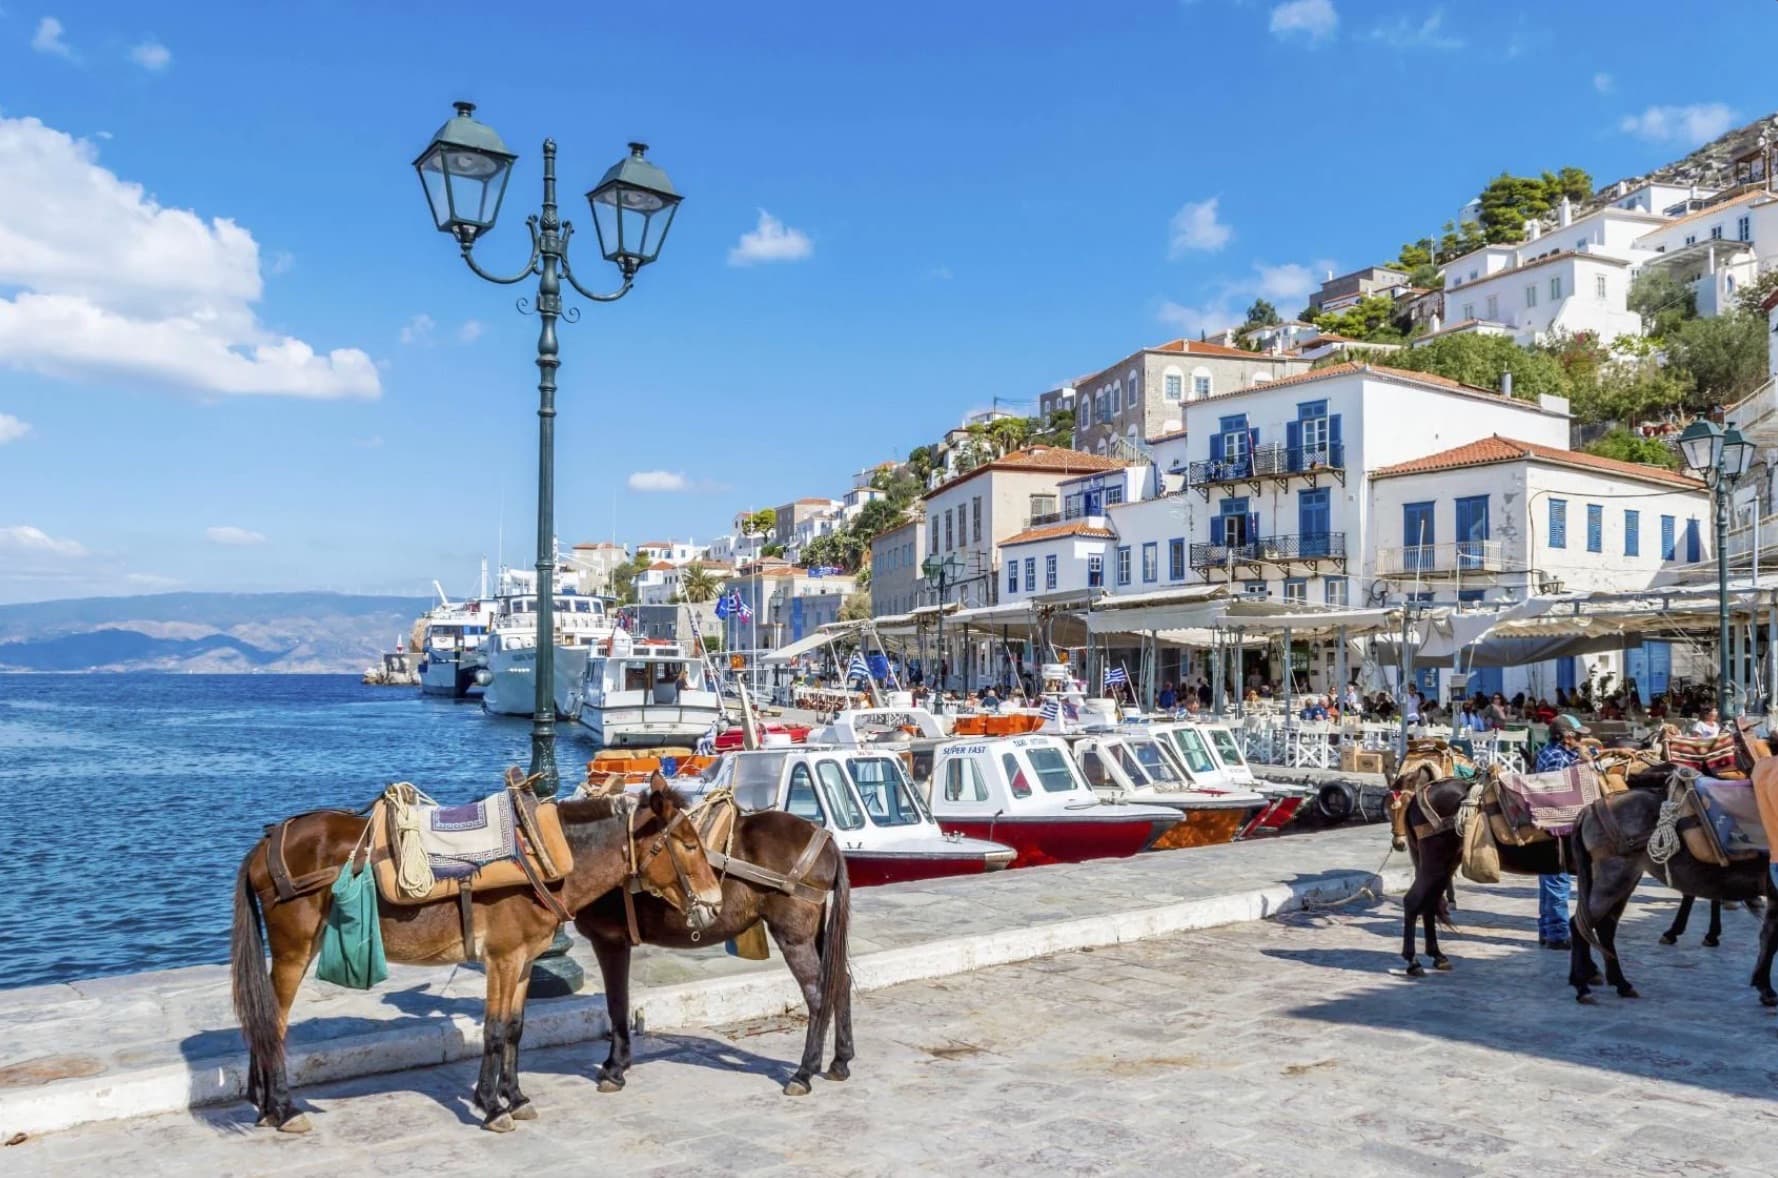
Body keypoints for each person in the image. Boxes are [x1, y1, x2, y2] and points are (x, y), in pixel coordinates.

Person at [1532, 714, 1589, 950]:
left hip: (1552, 823)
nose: (1581, 740)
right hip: (1556, 826)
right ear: (1566, 737)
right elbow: (1556, 793)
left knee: (1550, 881)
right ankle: (1557, 934)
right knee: (1557, 880)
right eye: (1577, 736)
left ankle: (1547, 930)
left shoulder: (1560, 753)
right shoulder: (1557, 757)